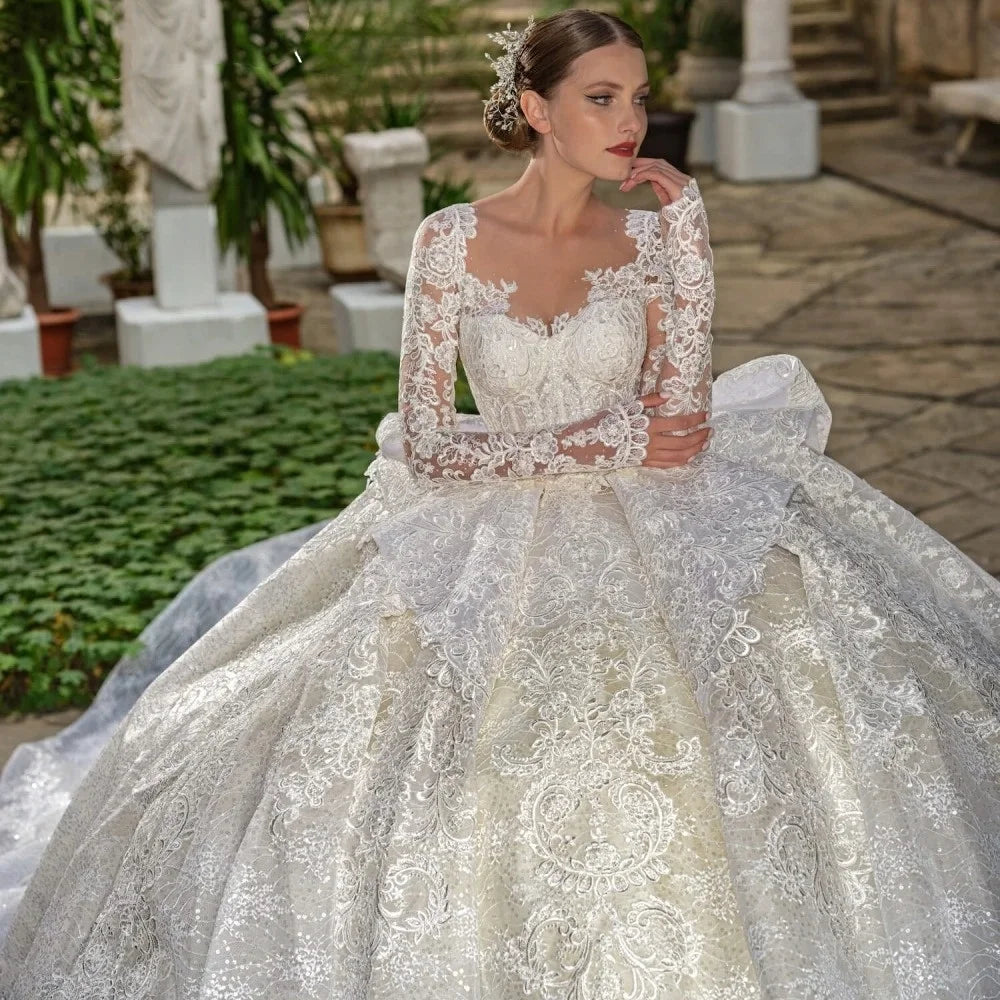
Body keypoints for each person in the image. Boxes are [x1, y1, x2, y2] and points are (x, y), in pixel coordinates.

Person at [3, 8, 1000, 997]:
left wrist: (690, 240)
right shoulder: (450, 241)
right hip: (484, 526)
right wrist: (602, 441)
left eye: (638, 98)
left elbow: (684, 422)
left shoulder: (651, 239)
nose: (631, 122)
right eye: (600, 98)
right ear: (536, 108)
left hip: (653, 521)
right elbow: (430, 441)